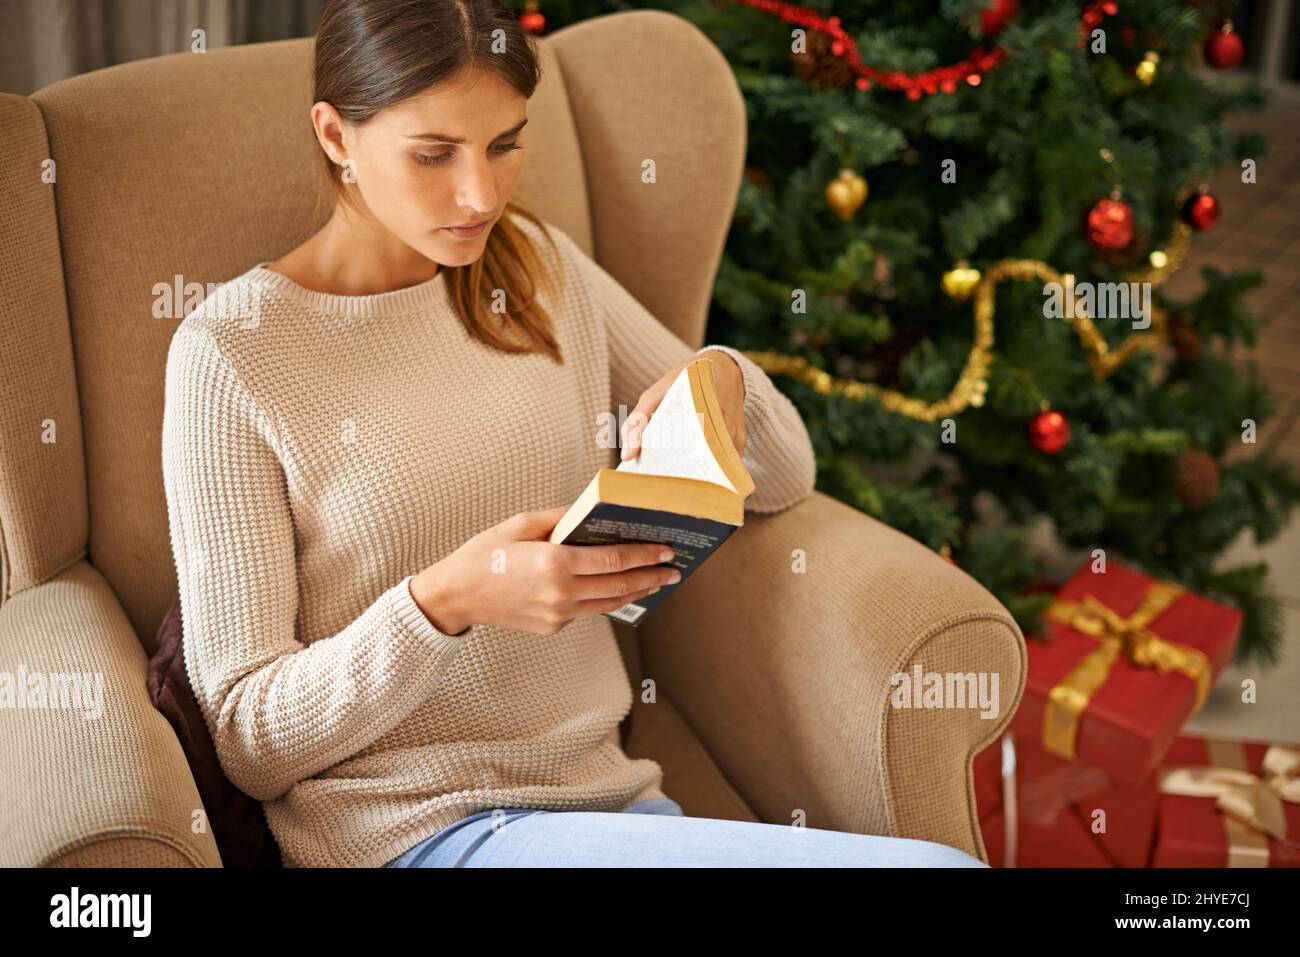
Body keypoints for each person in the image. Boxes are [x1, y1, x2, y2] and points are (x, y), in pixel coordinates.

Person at [161, 0, 986, 869]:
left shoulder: (532, 264)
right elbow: (251, 742)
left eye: (505, 144)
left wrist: (722, 380)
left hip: (615, 810)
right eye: (434, 154)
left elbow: (784, 474)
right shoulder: (230, 355)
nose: (480, 194)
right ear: (336, 135)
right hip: (410, 837)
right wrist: (444, 603)